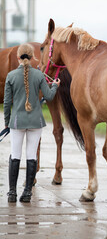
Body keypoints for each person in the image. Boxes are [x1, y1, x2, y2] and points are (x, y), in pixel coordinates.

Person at [3, 43, 60, 203]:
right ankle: (27, 193)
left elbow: (7, 103)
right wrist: (55, 86)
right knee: (31, 156)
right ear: (33, 56)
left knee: (15, 155)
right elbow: (49, 96)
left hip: (17, 121)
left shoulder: (11, 76)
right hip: (36, 121)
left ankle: (12, 193)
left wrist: (7, 122)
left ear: (18, 57)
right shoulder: (39, 75)